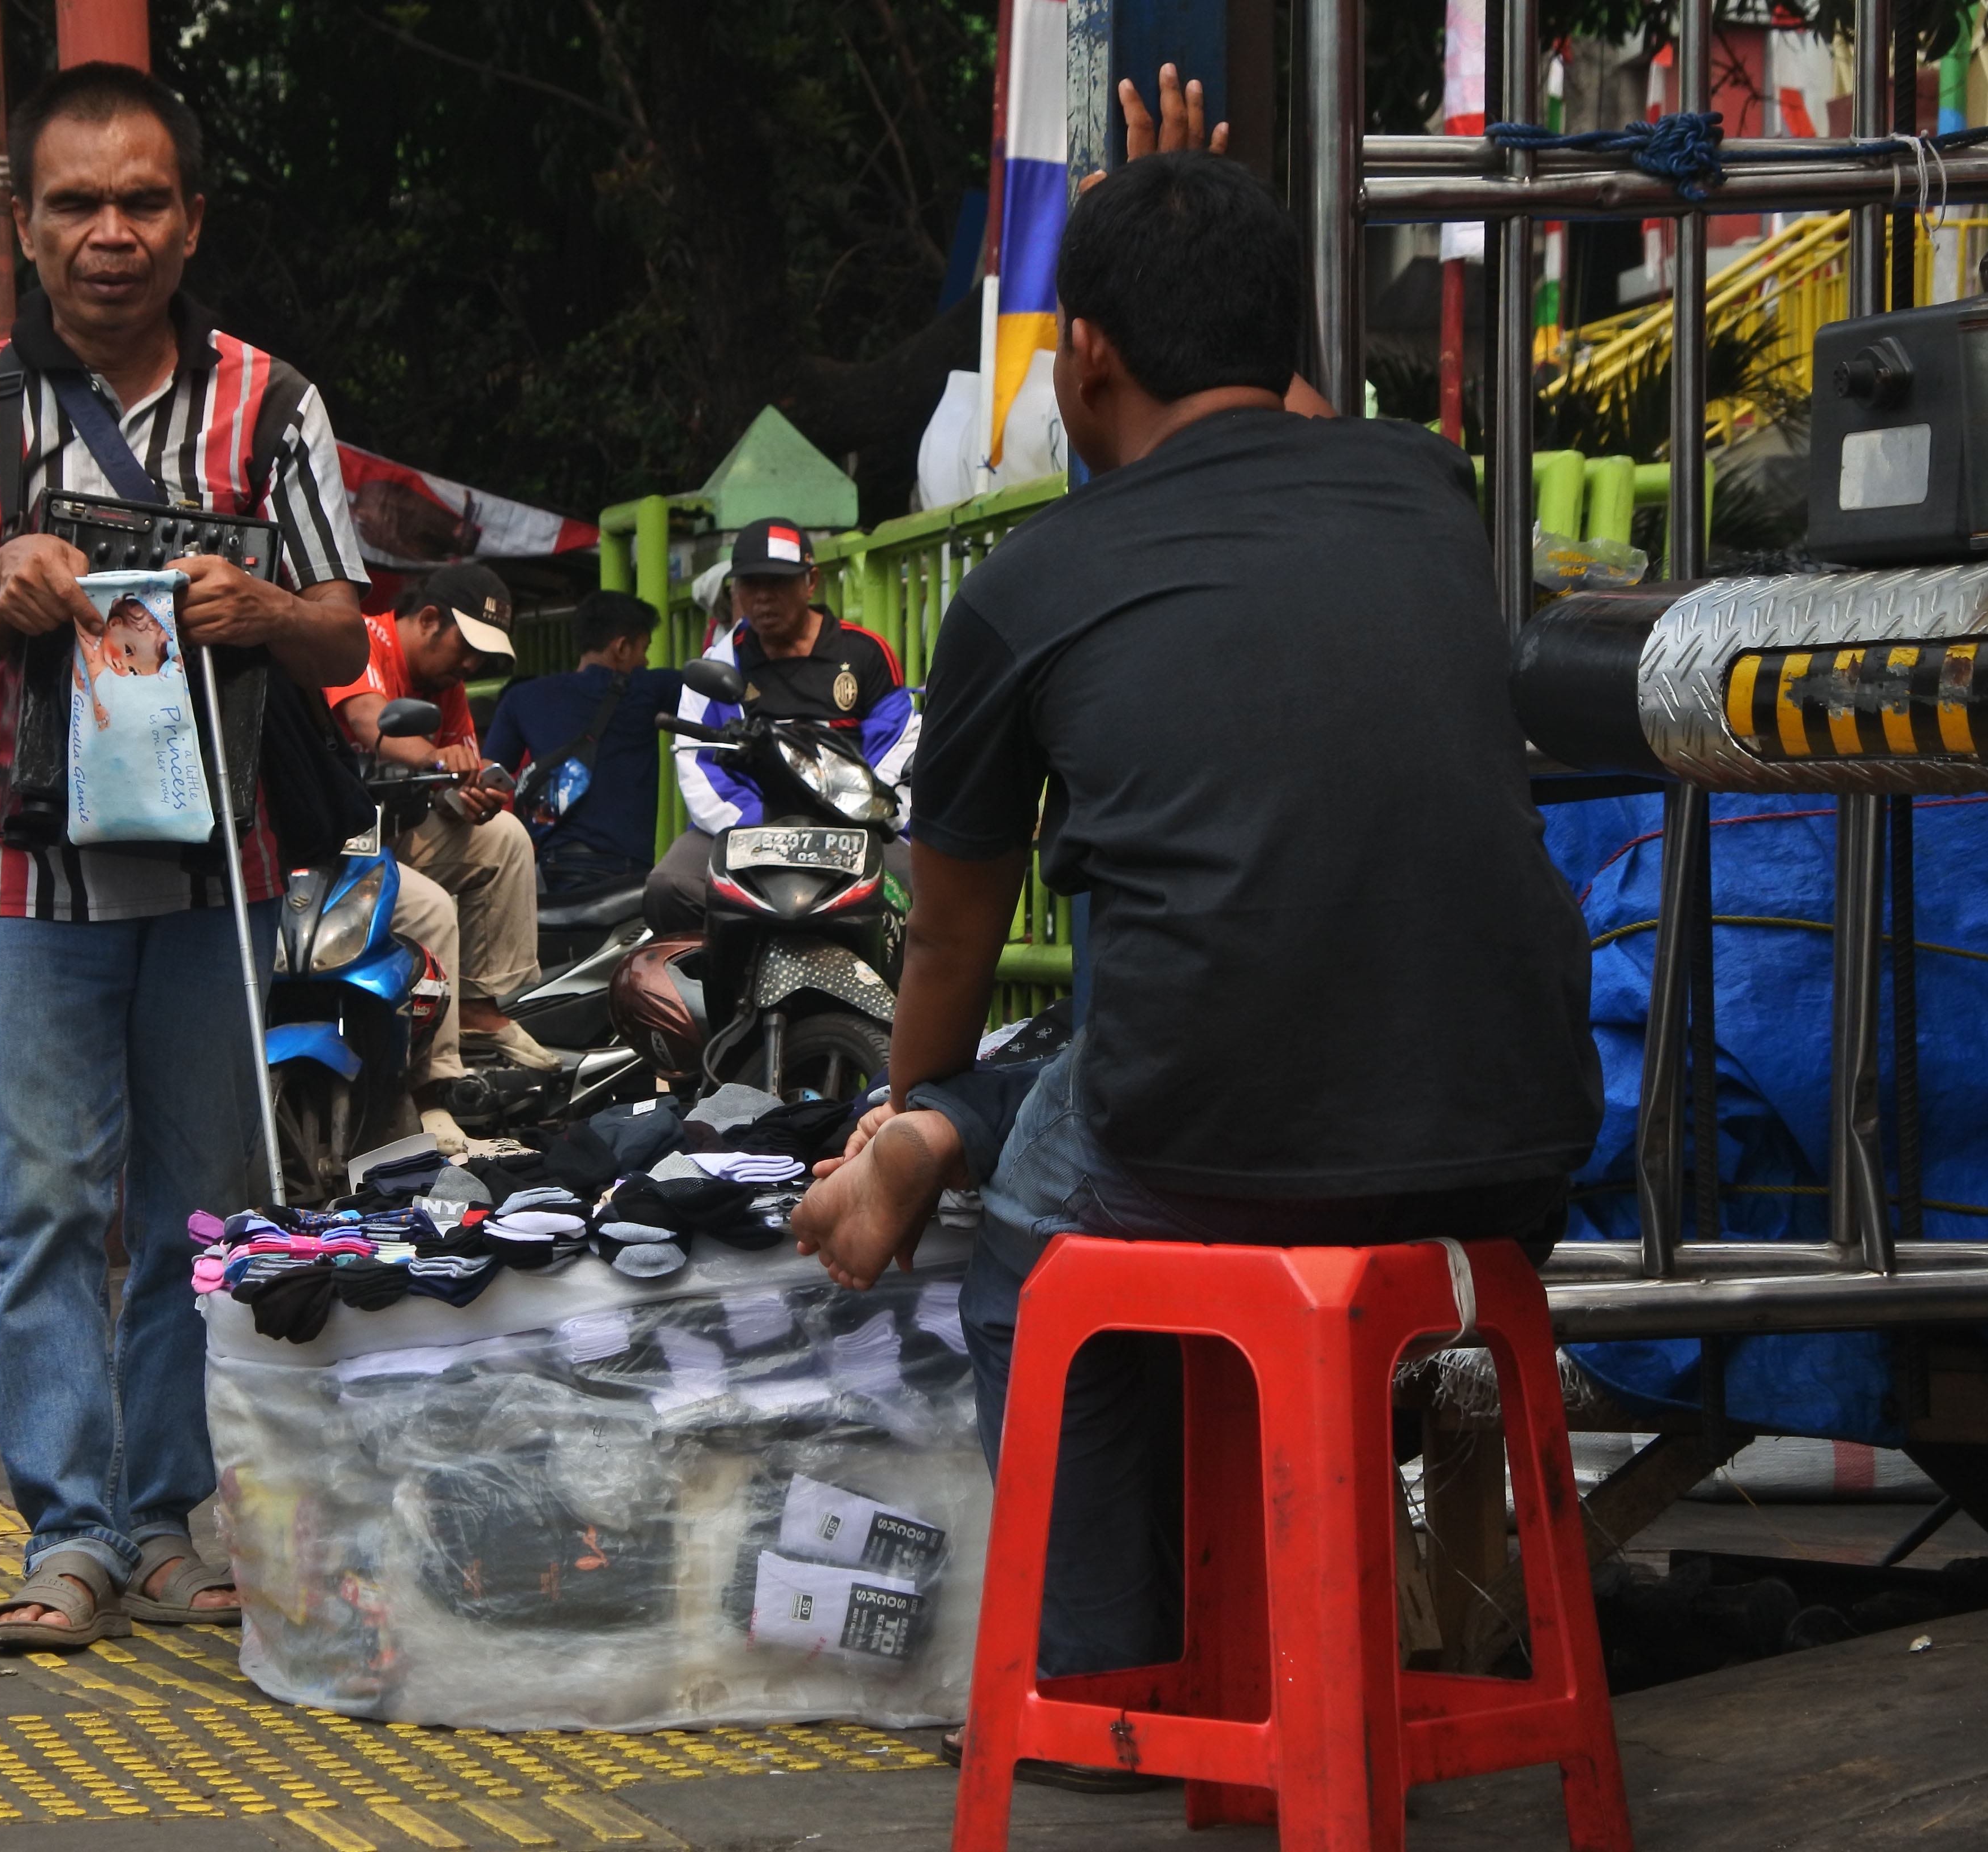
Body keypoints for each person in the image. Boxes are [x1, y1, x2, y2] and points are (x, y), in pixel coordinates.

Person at [791, 154, 1601, 1714]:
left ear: (1084, 352)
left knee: (1036, 1249)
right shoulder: (1430, 491)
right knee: (1100, 1057)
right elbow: (1288, 418)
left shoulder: (1029, 589)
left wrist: (895, 1100)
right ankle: (958, 1135)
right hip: (1517, 1144)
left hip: (1217, 1148)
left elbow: (949, 946)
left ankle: (1105, 1684)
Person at [0, 62, 368, 1648]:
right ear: (23, 224)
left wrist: (266, 612)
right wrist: (0, 571)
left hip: (222, 878)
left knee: (200, 1205)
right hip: (30, 885)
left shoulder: (273, 404)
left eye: (142, 200)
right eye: (75, 202)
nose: (109, 232)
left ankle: (167, 1518)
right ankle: (67, 1532)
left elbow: (343, 621)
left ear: (190, 218)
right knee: (39, 1202)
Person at [328, 563, 554, 1130]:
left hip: (392, 836)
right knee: (432, 907)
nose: (472, 665)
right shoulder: (360, 638)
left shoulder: (444, 686)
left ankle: (480, 1006)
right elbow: (363, 719)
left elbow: (460, 775)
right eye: (467, 646)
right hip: (334, 844)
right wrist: (438, 760)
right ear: (429, 619)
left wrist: (470, 795)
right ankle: (434, 1085)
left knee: (504, 837)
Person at [643, 517, 919, 934]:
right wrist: (763, 828)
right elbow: (699, 765)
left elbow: (897, 744)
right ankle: (712, 994)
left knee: (933, 897)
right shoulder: (720, 663)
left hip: (854, 828)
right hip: (747, 829)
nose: (763, 597)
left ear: (811, 581)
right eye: (751, 584)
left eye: (779, 582)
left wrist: (853, 813)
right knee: (667, 887)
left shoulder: (865, 653)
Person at [483, 590, 682, 893]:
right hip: (624, 874)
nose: (646, 660)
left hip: (549, 870)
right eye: (644, 648)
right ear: (622, 647)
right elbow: (725, 691)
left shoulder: (523, 698)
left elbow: (489, 776)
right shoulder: (648, 688)